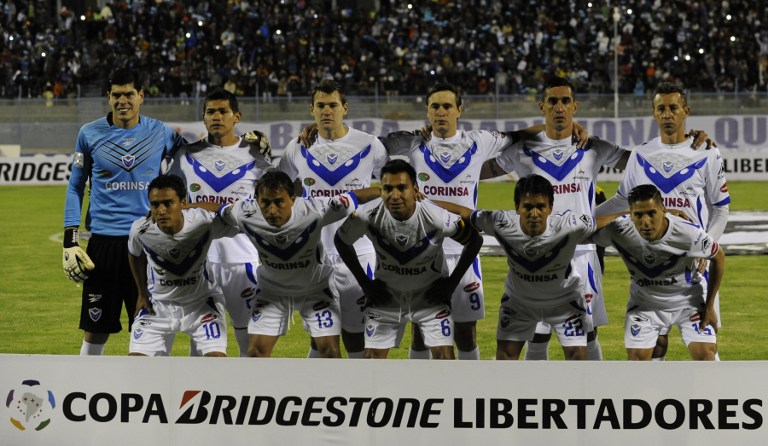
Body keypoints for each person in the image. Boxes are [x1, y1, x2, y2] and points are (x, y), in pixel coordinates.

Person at [479, 76, 711, 361]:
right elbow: (476, 173)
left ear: (575, 105)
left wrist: (687, 142)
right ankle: (537, 396)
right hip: (535, 252)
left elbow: (647, 161)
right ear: (543, 106)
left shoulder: (594, 147)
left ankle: (589, 397)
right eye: (553, 101)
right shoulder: (522, 150)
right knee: (536, 333)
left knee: (586, 333)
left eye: (565, 101)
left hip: (582, 253)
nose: (559, 107)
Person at [596, 82, 730, 360]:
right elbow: (623, 200)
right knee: (656, 342)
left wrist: (708, 245)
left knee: (705, 343)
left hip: (693, 264)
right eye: (661, 109)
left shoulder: (707, 152)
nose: (667, 114)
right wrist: (586, 218)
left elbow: (720, 209)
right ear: (654, 114)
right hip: (652, 262)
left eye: (673, 108)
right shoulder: (641, 155)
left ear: (685, 112)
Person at [191, 170, 382, 358]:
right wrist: (183, 207)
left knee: (330, 353)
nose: (272, 210)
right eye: (265, 202)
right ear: (256, 199)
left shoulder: (317, 209)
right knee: (256, 353)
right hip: (272, 292)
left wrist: (388, 192)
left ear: (293, 198)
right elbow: (219, 207)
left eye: (279, 202)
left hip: (315, 290)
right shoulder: (244, 212)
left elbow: (356, 196)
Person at [63, 67, 186, 355]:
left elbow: (196, 153)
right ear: (108, 97)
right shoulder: (89, 133)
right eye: (116, 95)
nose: (123, 100)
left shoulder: (161, 132)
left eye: (129, 94)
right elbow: (75, 186)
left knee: (153, 328)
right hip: (102, 246)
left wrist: (245, 142)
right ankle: (87, 389)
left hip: (148, 243)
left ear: (141, 96)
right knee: (95, 330)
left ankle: (151, 395)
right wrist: (71, 240)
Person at [436, 174, 622, 360]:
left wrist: (632, 213)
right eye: (528, 207)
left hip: (565, 303)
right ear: (517, 207)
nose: (535, 214)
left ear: (550, 208)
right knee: (504, 361)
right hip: (519, 304)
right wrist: (425, 201)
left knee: (578, 362)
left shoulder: (570, 224)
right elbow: (463, 212)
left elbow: (601, 222)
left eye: (541, 207)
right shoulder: (500, 221)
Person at [279, 79, 389, 358]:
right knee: (320, 338)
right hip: (314, 255)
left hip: (358, 253)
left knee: (356, 336)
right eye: (320, 106)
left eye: (333, 105)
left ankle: (358, 395)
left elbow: (390, 186)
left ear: (345, 108)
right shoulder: (297, 147)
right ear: (312, 110)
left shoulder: (370, 145)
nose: (327, 110)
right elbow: (284, 191)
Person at [334, 159, 483, 360]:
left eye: (401, 188)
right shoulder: (366, 215)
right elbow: (341, 240)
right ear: (381, 190)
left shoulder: (436, 217)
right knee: (369, 362)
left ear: (415, 189)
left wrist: (450, 284)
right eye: (388, 189)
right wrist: (365, 284)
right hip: (386, 299)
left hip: (430, 300)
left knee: (445, 359)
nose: (394, 195)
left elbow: (474, 240)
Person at [171, 88, 272, 357]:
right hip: (199, 263)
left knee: (250, 345)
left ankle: (246, 397)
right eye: (210, 112)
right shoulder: (185, 156)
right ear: (203, 117)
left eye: (223, 111)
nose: (216, 116)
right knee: (202, 345)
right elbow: (172, 202)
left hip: (245, 261)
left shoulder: (256, 156)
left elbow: (271, 204)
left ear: (236, 116)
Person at [593, 184, 724, 360]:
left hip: (688, 302)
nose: (645, 222)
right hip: (645, 305)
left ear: (663, 210)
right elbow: (583, 231)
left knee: (706, 356)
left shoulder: (687, 232)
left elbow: (719, 257)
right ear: (630, 214)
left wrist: (709, 306)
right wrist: (623, 215)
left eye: (651, 213)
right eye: (638, 215)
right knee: (638, 364)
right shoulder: (619, 229)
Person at [127, 175, 239, 356]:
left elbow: (237, 217)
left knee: (217, 364)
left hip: (202, 305)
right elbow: (134, 254)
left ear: (183, 203)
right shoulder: (141, 229)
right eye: (155, 205)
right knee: (137, 366)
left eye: (168, 203)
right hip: (158, 306)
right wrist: (141, 293)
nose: (161, 211)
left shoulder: (204, 222)